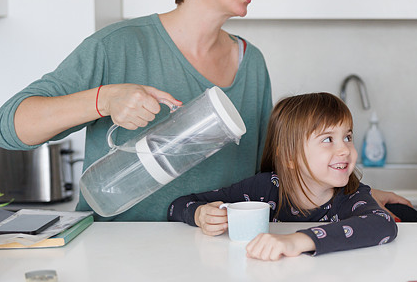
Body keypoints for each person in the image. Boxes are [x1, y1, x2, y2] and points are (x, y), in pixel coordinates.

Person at [0, 0, 408, 221]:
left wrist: (362, 196)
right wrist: (104, 99)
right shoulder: (119, 47)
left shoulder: (251, 63)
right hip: (117, 254)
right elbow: (9, 127)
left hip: (219, 258)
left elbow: (279, 172)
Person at [168, 93, 398, 260]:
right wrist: (199, 214)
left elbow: (383, 225)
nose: (345, 149)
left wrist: (295, 241)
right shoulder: (263, 188)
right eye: (328, 139)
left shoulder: (352, 195)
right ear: (289, 157)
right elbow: (178, 205)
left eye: (347, 137)